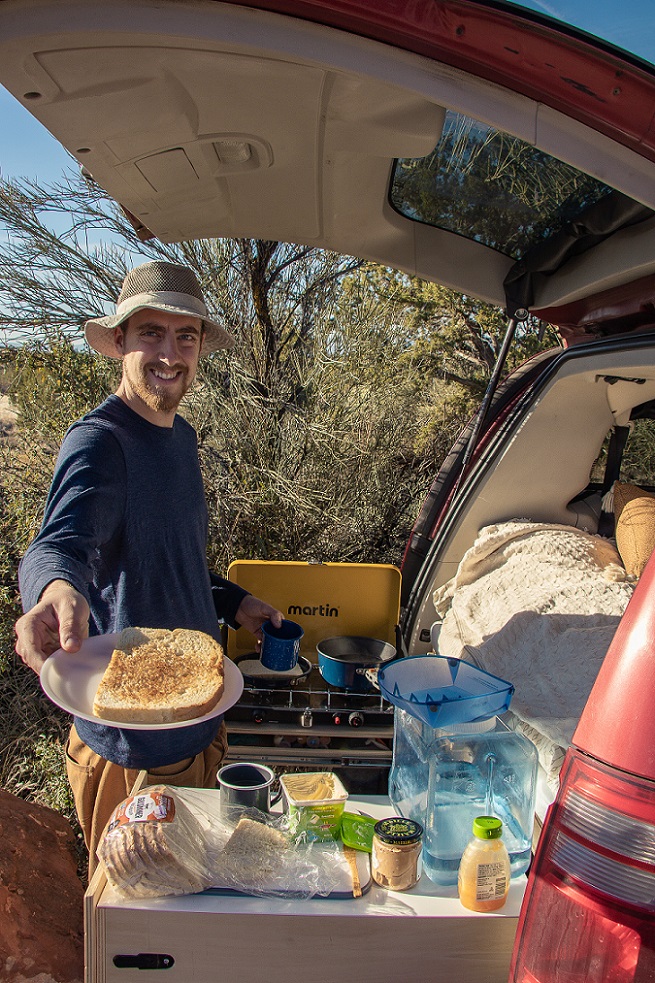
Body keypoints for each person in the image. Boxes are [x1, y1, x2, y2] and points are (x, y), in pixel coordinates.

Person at [14, 259, 283, 875]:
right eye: (150, 334)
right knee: (139, 930)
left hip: (201, 721)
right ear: (118, 342)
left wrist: (231, 601)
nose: (171, 353)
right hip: (138, 748)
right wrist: (54, 589)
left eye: (185, 336)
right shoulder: (101, 442)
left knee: (196, 907)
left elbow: (171, 558)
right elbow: (59, 545)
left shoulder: (178, 438)